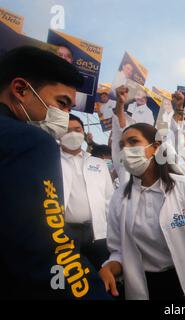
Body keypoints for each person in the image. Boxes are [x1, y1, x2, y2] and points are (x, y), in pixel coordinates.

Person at [0, 46, 108, 299]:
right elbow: (47, 253)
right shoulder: (31, 141)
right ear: (21, 90)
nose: (64, 116)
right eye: (62, 103)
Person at [99, 120, 185, 300]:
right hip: (147, 286)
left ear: (156, 147)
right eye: (122, 145)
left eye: (133, 142)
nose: (126, 150)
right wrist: (110, 267)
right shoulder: (119, 198)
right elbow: (119, 250)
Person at [60, 114, 114, 272]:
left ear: (83, 133)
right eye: (67, 130)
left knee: (101, 275)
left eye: (77, 129)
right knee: (70, 279)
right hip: (66, 232)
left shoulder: (97, 163)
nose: (73, 134)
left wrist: (111, 230)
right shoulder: (52, 160)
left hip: (98, 232)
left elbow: (109, 199)